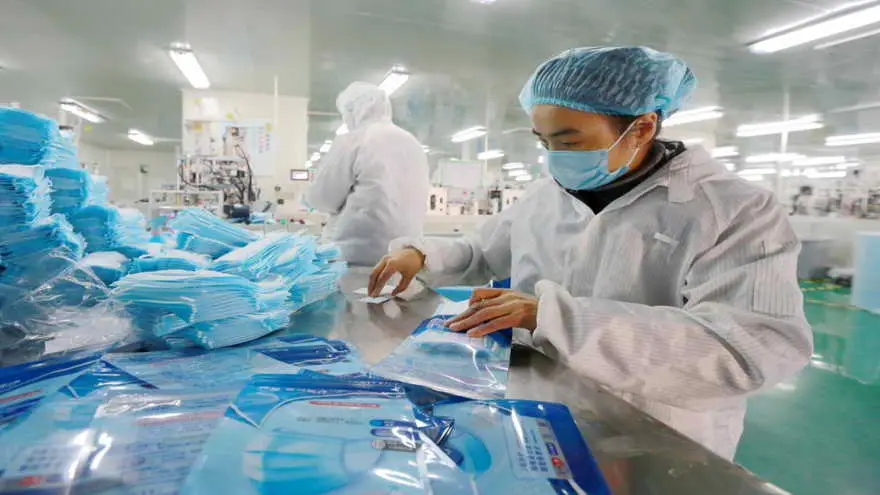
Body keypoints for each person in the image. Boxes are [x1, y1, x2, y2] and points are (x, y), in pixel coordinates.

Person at [368, 46, 812, 460]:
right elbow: (480, 252)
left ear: (642, 127)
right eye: (544, 142)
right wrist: (420, 255)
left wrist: (555, 317)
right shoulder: (546, 194)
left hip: (658, 434)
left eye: (569, 141)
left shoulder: (732, 209)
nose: (554, 158)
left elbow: (753, 348)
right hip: (537, 408)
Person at [305, 82, 429, 266]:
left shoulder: (354, 140)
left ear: (353, 110)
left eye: (346, 113)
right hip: (402, 258)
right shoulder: (413, 143)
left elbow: (322, 199)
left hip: (353, 256)